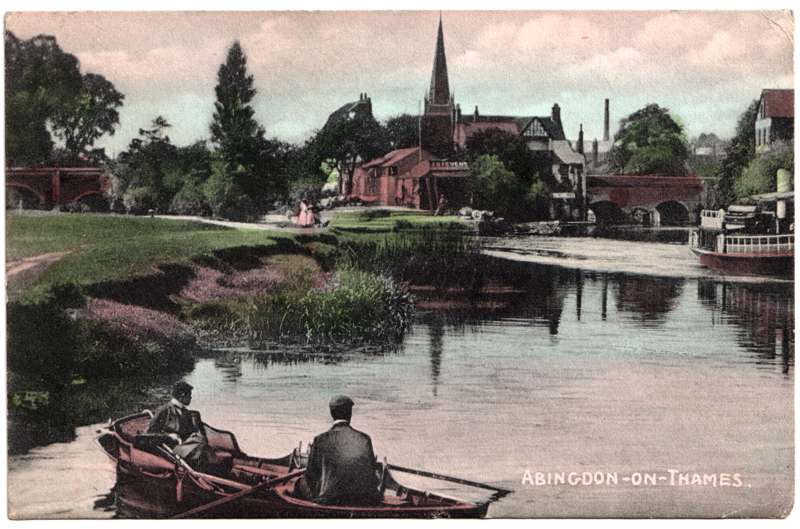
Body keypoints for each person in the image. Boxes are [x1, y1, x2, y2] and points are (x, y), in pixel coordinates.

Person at [294, 395, 382, 505]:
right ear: (350, 414)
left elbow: (311, 477)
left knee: (299, 483)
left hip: (330, 500)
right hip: (364, 500)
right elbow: (372, 475)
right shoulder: (365, 439)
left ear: (331, 414)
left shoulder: (320, 440)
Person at [147, 381, 228, 473]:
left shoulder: (186, 413)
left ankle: (213, 468)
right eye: (189, 395)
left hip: (187, 445)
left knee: (202, 444)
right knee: (202, 447)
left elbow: (191, 431)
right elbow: (150, 434)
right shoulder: (164, 410)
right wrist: (169, 436)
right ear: (182, 395)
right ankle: (214, 469)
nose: (191, 398)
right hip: (172, 448)